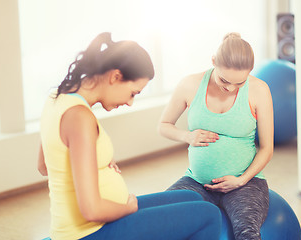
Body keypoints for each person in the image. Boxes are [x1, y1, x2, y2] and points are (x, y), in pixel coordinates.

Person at [37, 32, 222, 240]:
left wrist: (96, 162)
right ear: (115, 77)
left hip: (94, 224)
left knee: (191, 196)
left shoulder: (57, 97)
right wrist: (128, 208)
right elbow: (91, 210)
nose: (130, 102)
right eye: (133, 93)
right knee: (209, 215)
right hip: (88, 232)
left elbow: (45, 165)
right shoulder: (79, 117)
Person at [158, 32, 274, 240]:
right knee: (162, 221)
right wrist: (187, 136)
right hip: (196, 181)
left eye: (239, 83)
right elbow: (164, 125)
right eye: (224, 80)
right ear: (213, 62)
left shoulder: (260, 90)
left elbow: (267, 148)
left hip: (246, 183)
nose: (230, 88)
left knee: (246, 232)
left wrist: (241, 180)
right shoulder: (190, 85)